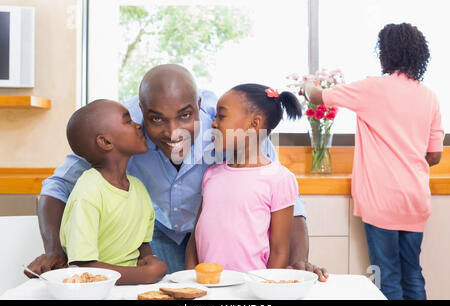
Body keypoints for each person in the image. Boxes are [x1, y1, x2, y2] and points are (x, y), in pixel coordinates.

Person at [26, 64, 328, 280]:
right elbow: (57, 186)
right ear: (141, 113)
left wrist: (297, 260)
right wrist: (54, 250)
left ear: (199, 106)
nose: (174, 133)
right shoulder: (119, 125)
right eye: (156, 120)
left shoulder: (230, 125)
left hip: (217, 243)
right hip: (154, 235)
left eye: (185, 116)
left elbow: (288, 205)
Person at [302, 23, 444, 299]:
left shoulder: (372, 89)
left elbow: (319, 97)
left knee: (387, 275)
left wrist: (308, 84)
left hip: (382, 198)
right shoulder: (430, 97)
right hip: (415, 198)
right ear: (419, 55)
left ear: (385, 54)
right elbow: (435, 155)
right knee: (413, 273)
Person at [185, 84, 301, 272]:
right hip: (209, 287)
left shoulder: (279, 179)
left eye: (221, 116)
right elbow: (195, 239)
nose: (214, 124)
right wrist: (191, 281)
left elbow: (279, 251)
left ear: (254, 124)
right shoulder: (211, 175)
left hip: (251, 290)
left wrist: (266, 290)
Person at [59, 99, 167, 285]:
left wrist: (152, 260)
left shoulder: (139, 188)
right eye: (128, 121)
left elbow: (143, 246)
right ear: (106, 141)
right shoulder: (88, 190)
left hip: (132, 290)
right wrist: (146, 275)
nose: (138, 125)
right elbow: (84, 267)